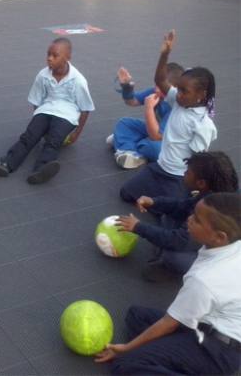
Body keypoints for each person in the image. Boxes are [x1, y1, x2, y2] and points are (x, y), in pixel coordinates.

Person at [96, 193, 241, 376]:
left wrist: (125, 349)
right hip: (207, 327)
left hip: (217, 352)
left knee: (123, 365)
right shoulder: (233, 244)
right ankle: (168, 361)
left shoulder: (204, 280)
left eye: (197, 220)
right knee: (136, 316)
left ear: (220, 237)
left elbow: (169, 324)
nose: (189, 219)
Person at [0, 37, 94, 185]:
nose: (49, 59)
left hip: (67, 115)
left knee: (53, 141)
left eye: (55, 55)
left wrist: (76, 133)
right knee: (29, 136)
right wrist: (39, 123)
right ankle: (7, 163)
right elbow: (36, 100)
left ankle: (41, 169)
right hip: (46, 109)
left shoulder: (78, 80)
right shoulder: (43, 75)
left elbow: (85, 109)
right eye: (48, 54)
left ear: (68, 57)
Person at [120, 30, 217, 202]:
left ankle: (183, 196)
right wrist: (165, 54)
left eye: (184, 91)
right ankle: (159, 193)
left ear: (201, 94)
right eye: (178, 89)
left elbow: (198, 160)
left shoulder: (203, 124)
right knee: (126, 193)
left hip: (178, 177)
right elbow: (159, 80)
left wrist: (193, 185)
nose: (178, 94)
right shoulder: (178, 101)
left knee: (167, 215)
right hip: (159, 168)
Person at [116, 151, 238, 282]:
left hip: (226, 258)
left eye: (188, 172)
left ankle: (187, 270)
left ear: (201, 183)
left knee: (174, 257)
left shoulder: (216, 209)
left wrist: (138, 227)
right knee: (169, 218)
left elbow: (179, 240)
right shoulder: (214, 193)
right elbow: (183, 206)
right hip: (212, 237)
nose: (184, 174)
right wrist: (154, 202)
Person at [109, 63, 184, 169]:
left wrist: (149, 108)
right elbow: (132, 101)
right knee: (124, 123)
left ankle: (127, 144)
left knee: (153, 148)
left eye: (161, 87)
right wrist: (127, 86)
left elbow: (156, 136)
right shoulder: (156, 92)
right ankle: (128, 152)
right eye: (156, 85)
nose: (157, 89)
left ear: (174, 89)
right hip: (155, 131)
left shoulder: (176, 107)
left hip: (169, 140)